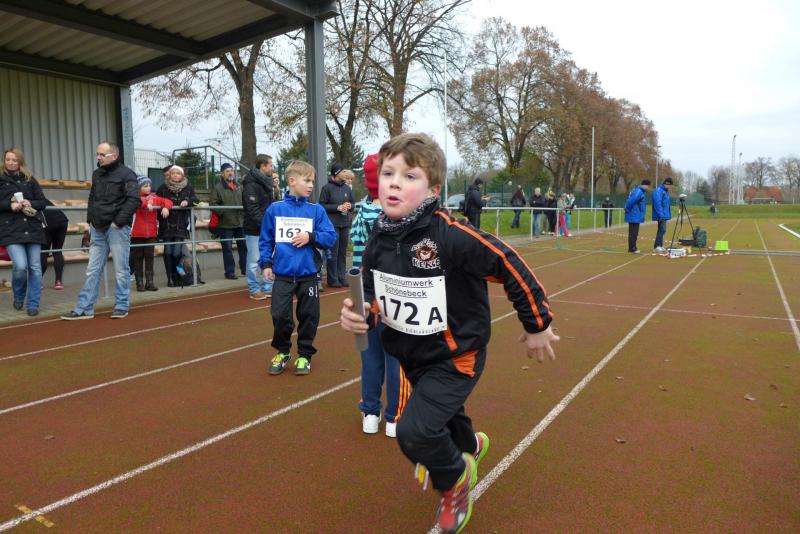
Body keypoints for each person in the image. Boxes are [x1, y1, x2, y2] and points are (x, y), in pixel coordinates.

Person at [339, 133, 559, 534]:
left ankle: (454, 480)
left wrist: (537, 324)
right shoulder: (378, 240)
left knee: (414, 432)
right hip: (411, 355)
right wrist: (360, 315)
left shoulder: (451, 235)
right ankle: (470, 446)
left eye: (409, 176)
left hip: (456, 357)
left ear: (433, 190)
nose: (394, 183)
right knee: (443, 418)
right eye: (388, 173)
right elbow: (371, 295)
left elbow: (507, 262)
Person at [349, 153, 408, 437]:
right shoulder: (396, 215)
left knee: (370, 356)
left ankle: (370, 412)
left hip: (362, 288)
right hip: (393, 289)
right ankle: (395, 416)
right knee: (395, 356)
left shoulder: (361, 212)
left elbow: (354, 243)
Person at [259, 160, 336, 376]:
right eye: (307, 180)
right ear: (292, 181)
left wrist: (311, 236)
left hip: (308, 274)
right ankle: (283, 351)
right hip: (283, 274)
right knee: (279, 315)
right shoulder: (275, 209)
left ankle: (304, 354)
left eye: (313, 181)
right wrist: (266, 263)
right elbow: (266, 239)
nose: (311, 185)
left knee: (309, 316)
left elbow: (330, 237)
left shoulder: (316, 210)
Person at [62, 141, 140, 320]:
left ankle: (121, 305)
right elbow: (93, 198)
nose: (98, 157)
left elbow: (134, 199)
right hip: (97, 227)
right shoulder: (97, 174)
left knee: (121, 269)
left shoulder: (127, 174)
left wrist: (118, 222)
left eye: (102, 154)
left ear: (114, 155)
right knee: (92, 270)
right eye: (97, 154)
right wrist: (90, 221)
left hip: (117, 229)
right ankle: (84, 308)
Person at [0, 147, 46, 316]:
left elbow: (43, 202)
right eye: (8, 159)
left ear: (20, 161)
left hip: (33, 228)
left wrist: (30, 202)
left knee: (35, 268)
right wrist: (10, 205)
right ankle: (19, 296)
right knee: (20, 266)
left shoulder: (30, 179)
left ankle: (33, 304)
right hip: (11, 230)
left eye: (14, 160)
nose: (11, 162)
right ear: (4, 161)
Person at [156, 165, 199, 287]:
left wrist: (188, 202)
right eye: (173, 173)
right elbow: (156, 201)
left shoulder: (188, 187)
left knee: (177, 253)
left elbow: (196, 200)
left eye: (178, 173)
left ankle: (178, 276)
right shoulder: (162, 188)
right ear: (169, 175)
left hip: (181, 224)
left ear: (182, 175)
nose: (175, 175)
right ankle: (170, 278)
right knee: (168, 252)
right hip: (167, 224)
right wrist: (163, 207)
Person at [242, 154, 275, 299]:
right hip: (254, 229)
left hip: (266, 228)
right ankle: (254, 288)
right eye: (270, 165)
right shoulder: (251, 185)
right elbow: (252, 209)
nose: (272, 168)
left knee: (267, 258)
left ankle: (268, 286)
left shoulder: (266, 183)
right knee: (254, 260)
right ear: (263, 166)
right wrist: (265, 225)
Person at [131, 176, 172, 292]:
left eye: (149, 185)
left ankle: (150, 282)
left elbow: (168, 201)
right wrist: (146, 204)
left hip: (151, 233)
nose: (148, 188)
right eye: (145, 186)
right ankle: (139, 283)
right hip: (137, 233)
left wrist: (166, 207)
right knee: (138, 258)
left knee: (150, 258)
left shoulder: (154, 197)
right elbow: (136, 202)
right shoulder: (134, 197)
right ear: (139, 187)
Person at [319, 162, 354, 288]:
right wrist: (337, 207)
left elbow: (353, 204)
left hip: (345, 224)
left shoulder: (347, 188)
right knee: (333, 253)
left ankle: (342, 277)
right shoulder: (326, 188)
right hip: (332, 225)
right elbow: (321, 206)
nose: (345, 174)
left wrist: (350, 206)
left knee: (342, 252)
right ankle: (333, 279)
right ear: (336, 173)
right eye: (343, 172)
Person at [210, 162, 247, 280]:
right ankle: (229, 272)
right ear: (222, 174)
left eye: (231, 170)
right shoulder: (217, 188)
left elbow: (245, 201)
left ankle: (245, 269)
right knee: (227, 249)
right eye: (227, 171)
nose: (230, 173)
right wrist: (224, 212)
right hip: (225, 224)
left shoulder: (239, 186)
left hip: (240, 223)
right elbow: (213, 204)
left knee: (244, 247)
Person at [40, 197, 69, 290]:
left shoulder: (28, 200)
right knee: (57, 251)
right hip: (62, 220)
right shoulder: (40, 197)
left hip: (49, 223)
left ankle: (38, 281)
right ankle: (58, 281)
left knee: (43, 251)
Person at [624, 179, 651, 254]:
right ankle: (633, 248)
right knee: (634, 232)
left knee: (633, 232)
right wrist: (627, 208)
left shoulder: (638, 191)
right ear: (645, 185)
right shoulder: (639, 192)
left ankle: (631, 247)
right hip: (634, 214)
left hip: (635, 214)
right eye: (648, 186)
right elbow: (630, 201)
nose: (648, 188)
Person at [651, 177, 673, 253]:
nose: (670, 187)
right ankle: (657, 246)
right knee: (662, 229)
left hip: (664, 214)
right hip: (661, 214)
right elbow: (657, 203)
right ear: (667, 184)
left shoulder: (665, 191)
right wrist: (661, 215)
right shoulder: (659, 191)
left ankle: (659, 245)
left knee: (662, 230)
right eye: (670, 185)